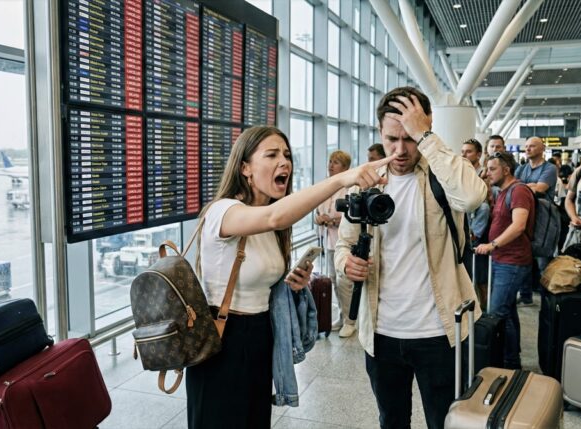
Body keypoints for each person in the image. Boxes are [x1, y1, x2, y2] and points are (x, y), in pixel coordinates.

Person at [188, 126, 394, 429]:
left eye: (286, 155)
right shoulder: (223, 211)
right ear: (245, 167)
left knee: (255, 420)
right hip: (222, 338)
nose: (284, 162)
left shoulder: (273, 221)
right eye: (271, 155)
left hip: (261, 334)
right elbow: (276, 216)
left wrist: (291, 285)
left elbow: (264, 268)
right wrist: (342, 179)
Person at [335, 86, 487, 429]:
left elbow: (473, 195)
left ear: (426, 127)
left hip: (439, 331)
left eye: (410, 138)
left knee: (443, 421)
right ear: (379, 133)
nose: (401, 149)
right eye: (392, 139)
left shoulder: (442, 174)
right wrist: (346, 262)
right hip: (382, 333)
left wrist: (428, 138)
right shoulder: (365, 184)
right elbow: (343, 244)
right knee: (391, 420)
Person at [475, 151, 535, 370]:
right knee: (508, 313)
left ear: (506, 169)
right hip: (503, 259)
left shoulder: (518, 191)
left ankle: (506, 363)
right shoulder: (503, 191)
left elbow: (519, 225)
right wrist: (484, 176)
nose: (488, 173)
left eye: (492, 169)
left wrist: (493, 244)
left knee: (496, 311)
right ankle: (511, 361)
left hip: (513, 261)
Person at [315, 150, 356, 338]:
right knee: (332, 280)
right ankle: (341, 316)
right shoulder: (326, 186)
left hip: (343, 244)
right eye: (330, 161)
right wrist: (320, 219)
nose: (331, 165)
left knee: (343, 282)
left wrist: (331, 221)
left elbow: (351, 218)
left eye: (336, 162)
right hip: (328, 242)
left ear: (346, 167)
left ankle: (350, 321)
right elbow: (316, 211)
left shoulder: (350, 188)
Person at [514, 137, 558, 304]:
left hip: (543, 219)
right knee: (524, 257)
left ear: (542, 149)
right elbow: (514, 187)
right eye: (526, 146)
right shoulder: (522, 168)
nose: (528, 149)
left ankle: (548, 299)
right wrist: (529, 186)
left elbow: (540, 189)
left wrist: (525, 187)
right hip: (525, 217)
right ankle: (526, 296)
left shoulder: (550, 169)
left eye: (532, 146)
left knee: (542, 261)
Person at [461, 139, 491, 309]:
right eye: (463, 151)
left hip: (480, 237)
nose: (464, 155)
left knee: (481, 280)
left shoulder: (484, 176)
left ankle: (484, 312)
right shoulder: (465, 174)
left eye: (468, 151)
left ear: (478, 154)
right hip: (467, 232)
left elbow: (486, 205)